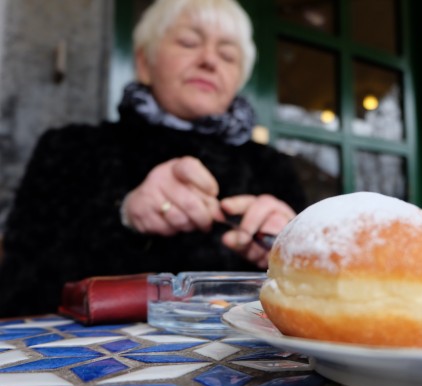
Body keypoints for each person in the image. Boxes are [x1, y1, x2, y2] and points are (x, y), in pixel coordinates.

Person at [0, 0, 306, 316]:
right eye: (189, 42)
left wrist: (289, 246)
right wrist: (125, 217)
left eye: (228, 55)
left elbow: (319, 299)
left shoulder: (273, 169)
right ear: (145, 62)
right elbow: (18, 291)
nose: (209, 60)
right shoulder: (69, 149)